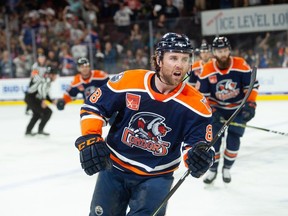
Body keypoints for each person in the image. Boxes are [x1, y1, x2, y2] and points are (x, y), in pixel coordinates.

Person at [74, 32, 215, 216]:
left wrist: (199, 158)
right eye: (173, 58)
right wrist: (91, 137)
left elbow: (198, 145)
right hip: (113, 168)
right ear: (159, 60)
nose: (180, 64)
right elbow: (94, 106)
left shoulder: (197, 105)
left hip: (157, 177)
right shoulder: (128, 81)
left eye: (185, 58)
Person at [196, 36, 259, 184]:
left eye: (225, 50)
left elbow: (252, 86)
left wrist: (250, 105)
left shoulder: (241, 64)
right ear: (214, 53)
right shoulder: (207, 70)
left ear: (229, 50)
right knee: (214, 142)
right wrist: (212, 112)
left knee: (233, 140)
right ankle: (213, 170)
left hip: (238, 110)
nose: (223, 54)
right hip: (217, 110)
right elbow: (202, 97)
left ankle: (227, 168)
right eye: (219, 51)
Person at [24, 66, 59, 136]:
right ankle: (40, 130)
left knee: (37, 114)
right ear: (51, 75)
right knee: (48, 112)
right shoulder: (46, 80)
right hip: (32, 98)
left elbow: (45, 93)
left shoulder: (46, 79)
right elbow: (41, 89)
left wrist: (52, 101)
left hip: (31, 98)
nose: (56, 77)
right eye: (55, 75)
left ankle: (28, 131)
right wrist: (43, 100)